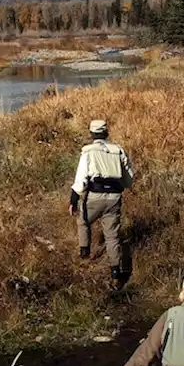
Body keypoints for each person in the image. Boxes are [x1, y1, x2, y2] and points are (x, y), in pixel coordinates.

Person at [69, 119, 134, 288]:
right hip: (114, 197)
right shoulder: (118, 151)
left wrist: (73, 200)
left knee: (83, 222)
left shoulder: (88, 152)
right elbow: (128, 179)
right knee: (112, 236)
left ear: (91, 134)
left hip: (94, 195)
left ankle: (84, 256)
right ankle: (116, 273)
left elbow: (81, 179)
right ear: (107, 133)